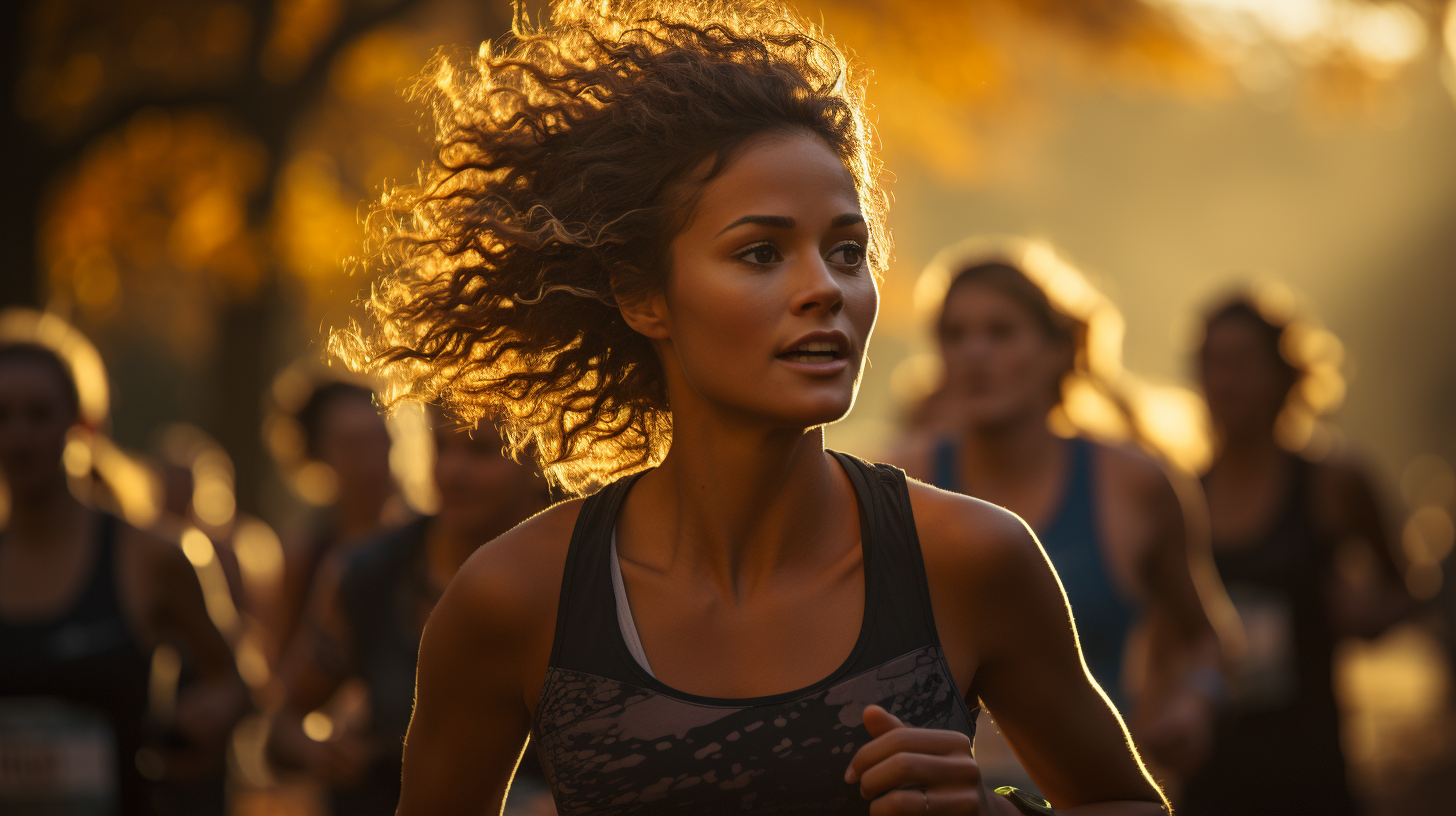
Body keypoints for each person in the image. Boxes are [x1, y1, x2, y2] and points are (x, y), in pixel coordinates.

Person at [340, 2, 1169, 813]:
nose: (825, 290)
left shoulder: (972, 559)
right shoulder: (518, 596)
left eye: (846, 252)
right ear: (642, 296)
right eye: (761, 252)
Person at [888, 255, 1224, 785]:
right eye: (955, 335)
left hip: (1093, 796)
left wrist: (1194, 703)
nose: (975, 353)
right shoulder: (894, 483)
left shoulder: (1135, 484)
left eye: (1000, 332)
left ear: (1058, 350)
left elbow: (1206, 638)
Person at [1182, 297, 1408, 815]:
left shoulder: (1334, 482)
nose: (1224, 381)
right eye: (1211, 363)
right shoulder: (1182, 494)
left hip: (1310, 764)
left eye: (1240, 363)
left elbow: (1408, 587)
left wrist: (1370, 618)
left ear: (1284, 374)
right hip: (1210, 769)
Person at [0, 342, 247, 814]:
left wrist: (206, 719)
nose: (18, 436)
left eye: (38, 413)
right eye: (2, 415)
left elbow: (233, 680)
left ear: (81, 424)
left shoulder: (151, 557)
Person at [267, 412, 551, 815]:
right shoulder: (370, 573)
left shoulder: (588, 574)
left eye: (482, 450)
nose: (452, 471)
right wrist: (322, 752)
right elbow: (281, 728)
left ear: (543, 463)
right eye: (440, 448)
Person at [265, 380, 400, 663]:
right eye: (352, 445)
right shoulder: (306, 557)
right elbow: (283, 664)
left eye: (379, 439)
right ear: (321, 454)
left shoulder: (430, 537)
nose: (371, 461)